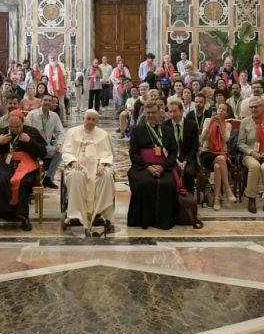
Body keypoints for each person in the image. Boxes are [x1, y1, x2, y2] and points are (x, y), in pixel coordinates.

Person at [0, 110, 46, 232]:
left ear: (23, 123)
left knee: (22, 182)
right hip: (6, 163)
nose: (15, 130)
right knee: (1, 181)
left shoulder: (31, 132)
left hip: (27, 163)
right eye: (12, 127)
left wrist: (29, 141)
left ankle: (23, 217)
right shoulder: (2, 133)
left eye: (17, 127)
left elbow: (42, 153)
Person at [61, 109, 116, 232]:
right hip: (77, 165)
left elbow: (107, 154)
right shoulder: (72, 132)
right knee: (75, 175)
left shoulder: (103, 134)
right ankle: (76, 215)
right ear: (83, 119)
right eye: (88, 119)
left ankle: (100, 213)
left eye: (93, 120)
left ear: (97, 121)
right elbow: (66, 152)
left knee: (106, 176)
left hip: (97, 166)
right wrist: (73, 162)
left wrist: (102, 164)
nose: (90, 122)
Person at [127, 101, 179, 230]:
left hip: (164, 166)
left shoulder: (167, 130)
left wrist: (163, 167)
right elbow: (133, 153)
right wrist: (147, 167)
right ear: (145, 113)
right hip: (143, 166)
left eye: (153, 113)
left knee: (168, 184)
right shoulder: (137, 130)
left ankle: (164, 221)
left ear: (159, 113)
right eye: (148, 113)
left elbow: (173, 152)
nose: (150, 115)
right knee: (144, 183)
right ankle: (143, 220)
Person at [161, 96, 200, 198]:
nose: (172, 114)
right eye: (170, 112)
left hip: (188, 157)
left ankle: (189, 198)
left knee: (189, 172)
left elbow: (194, 147)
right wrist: (177, 161)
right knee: (174, 172)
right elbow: (165, 147)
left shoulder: (192, 125)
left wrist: (185, 161)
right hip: (172, 158)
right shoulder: (165, 126)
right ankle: (174, 198)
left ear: (182, 111)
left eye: (175, 111)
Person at [201, 102, 235, 210]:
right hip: (207, 153)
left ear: (227, 114)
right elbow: (203, 138)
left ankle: (216, 198)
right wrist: (211, 123)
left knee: (217, 166)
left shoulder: (228, 125)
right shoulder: (207, 120)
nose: (220, 111)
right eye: (219, 108)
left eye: (223, 110)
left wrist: (221, 125)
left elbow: (226, 141)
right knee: (220, 159)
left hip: (222, 153)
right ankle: (228, 188)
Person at [27, 92, 64, 188]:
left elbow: (60, 132)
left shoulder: (54, 116)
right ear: (41, 101)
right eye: (45, 100)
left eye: (49, 101)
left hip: (46, 147)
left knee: (58, 154)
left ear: (52, 103)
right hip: (32, 146)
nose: (47, 102)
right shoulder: (32, 115)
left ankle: (48, 179)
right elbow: (26, 131)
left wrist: (58, 144)